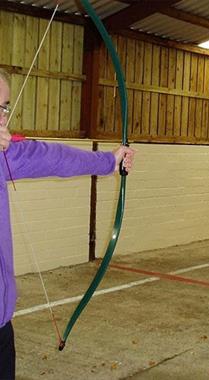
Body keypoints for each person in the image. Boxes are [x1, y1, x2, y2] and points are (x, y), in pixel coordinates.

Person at [0, 68, 135, 379]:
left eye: (7, 108)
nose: (5, 118)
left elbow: (53, 157)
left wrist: (108, 161)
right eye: (2, 108)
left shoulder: (5, 155)